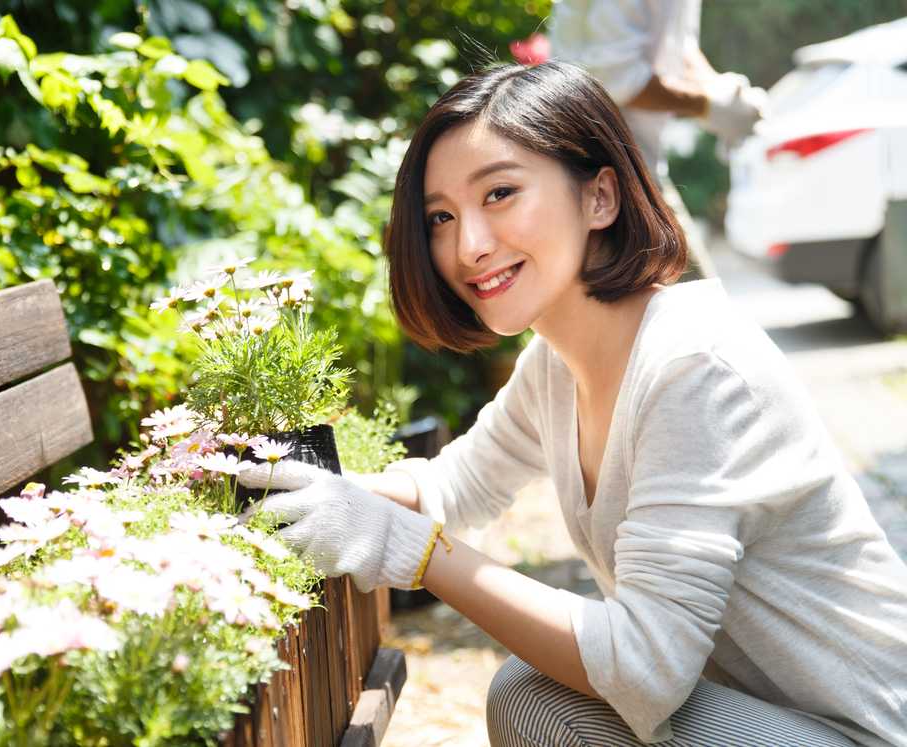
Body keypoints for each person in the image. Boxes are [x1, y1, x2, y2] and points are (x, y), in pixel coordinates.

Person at [239, 62, 907, 746]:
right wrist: (311, 495)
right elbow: (454, 484)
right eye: (442, 216)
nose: (468, 245)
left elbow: (644, 667)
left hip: (862, 729)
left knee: (540, 697)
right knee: (531, 695)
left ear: (601, 198)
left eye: (499, 192)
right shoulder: (557, 364)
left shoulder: (694, 367)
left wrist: (408, 549)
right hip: (759, 715)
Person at [547, 0, 769, 280]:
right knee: (694, 308)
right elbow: (617, 77)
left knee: (690, 306)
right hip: (600, 172)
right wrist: (707, 105)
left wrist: (721, 91)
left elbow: (677, 45)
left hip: (637, 168)